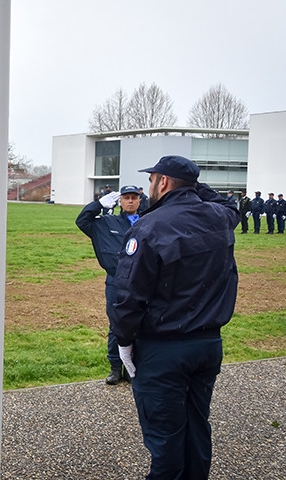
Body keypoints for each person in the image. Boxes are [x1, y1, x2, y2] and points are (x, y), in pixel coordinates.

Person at [112, 155, 238, 480]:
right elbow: (228, 205)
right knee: (197, 431)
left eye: (153, 179)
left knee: (166, 443)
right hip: (208, 345)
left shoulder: (149, 226)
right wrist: (193, 185)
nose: (148, 187)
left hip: (163, 349)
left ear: (163, 182)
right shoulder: (219, 218)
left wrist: (123, 343)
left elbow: (127, 297)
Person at [76, 185, 142, 385]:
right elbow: (82, 221)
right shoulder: (107, 222)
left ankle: (133, 368)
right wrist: (96, 205)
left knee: (139, 324)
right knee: (116, 324)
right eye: (126, 198)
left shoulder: (148, 222)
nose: (130, 201)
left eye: (134, 198)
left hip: (141, 281)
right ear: (119, 201)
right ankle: (115, 367)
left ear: (140, 200)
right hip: (116, 280)